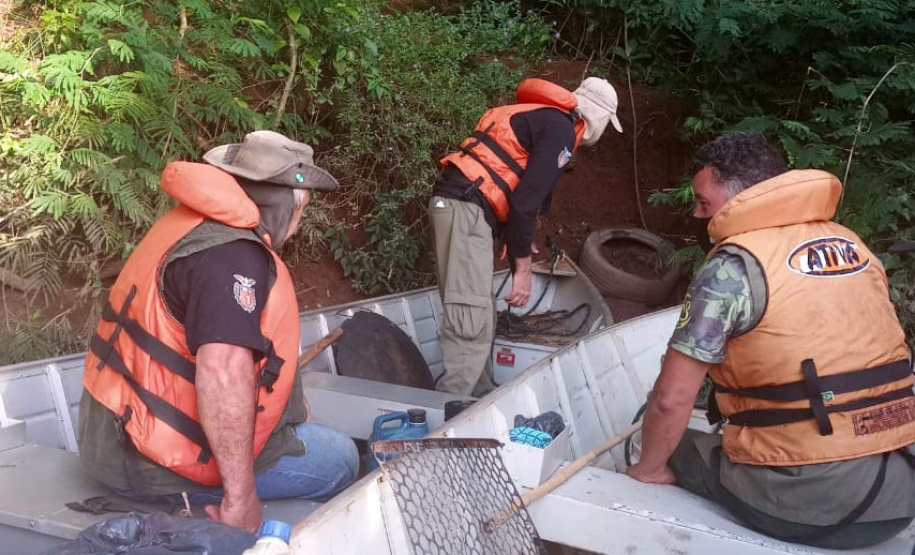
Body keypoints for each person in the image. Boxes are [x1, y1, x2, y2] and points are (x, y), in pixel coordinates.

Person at [627, 132, 915, 549]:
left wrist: (647, 468)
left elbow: (671, 399)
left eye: (704, 202)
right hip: (900, 489)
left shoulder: (732, 268)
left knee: (646, 428)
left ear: (741, 197)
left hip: (816, 505)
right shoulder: (851, 244)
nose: (696, 214)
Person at [78, 131, 359, 532]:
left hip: (114, 437)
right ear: (293, 206)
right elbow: (222, 371)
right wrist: (240, 498)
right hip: (151, 465)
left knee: (305, 431)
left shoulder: (189, 224)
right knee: (341, 457)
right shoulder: (233, 257)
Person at [428, 76, 623, 396]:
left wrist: (514, 237)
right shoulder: (561, 128)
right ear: (600, 118)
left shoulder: (545, 117)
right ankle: (451, 413)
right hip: (464, 208)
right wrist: (522, 270)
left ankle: (479, 399)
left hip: (462, 206)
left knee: (480, 312)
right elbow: (525, 202)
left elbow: (518, 194)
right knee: (470, 317)